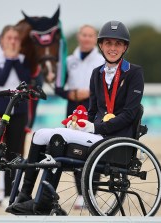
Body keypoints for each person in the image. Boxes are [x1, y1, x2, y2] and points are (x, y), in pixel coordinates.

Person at [6, 20, 144, 215]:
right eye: (108, 43)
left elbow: (130, 114)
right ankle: (25, 196)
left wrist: (96, 128)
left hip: (115, 138)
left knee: (57, 138)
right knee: (39, 135)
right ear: (101, 45)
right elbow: (93, 110)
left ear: (125, 47)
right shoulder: (97, 73)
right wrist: (78, 122)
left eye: (117, 44)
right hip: (96, 134)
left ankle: (43, 201)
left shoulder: (134, 73)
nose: (112, 48)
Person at [54, 24, 104, 209]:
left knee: (93, 149)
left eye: (90, 35)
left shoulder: (101, 61)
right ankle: (81, 194)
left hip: (95, 109)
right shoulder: (68, 61)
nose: (86, 38)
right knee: (75, 150)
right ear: (78, 36)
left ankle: (91, 193)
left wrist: (90, 93)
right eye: (83, 35)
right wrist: (72, 94)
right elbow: (59, 87)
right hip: (73, 110)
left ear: (95, 39)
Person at [0, 25, 31, 205]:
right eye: (9, 38)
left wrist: (15, 59)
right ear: (2, 40)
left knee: (14, 152)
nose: (12, 42)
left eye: (16, 39)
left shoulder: (23, 60)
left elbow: (24, 80)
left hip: (18, 113)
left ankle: (10, 194)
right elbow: (0, 79)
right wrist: (10, 59)